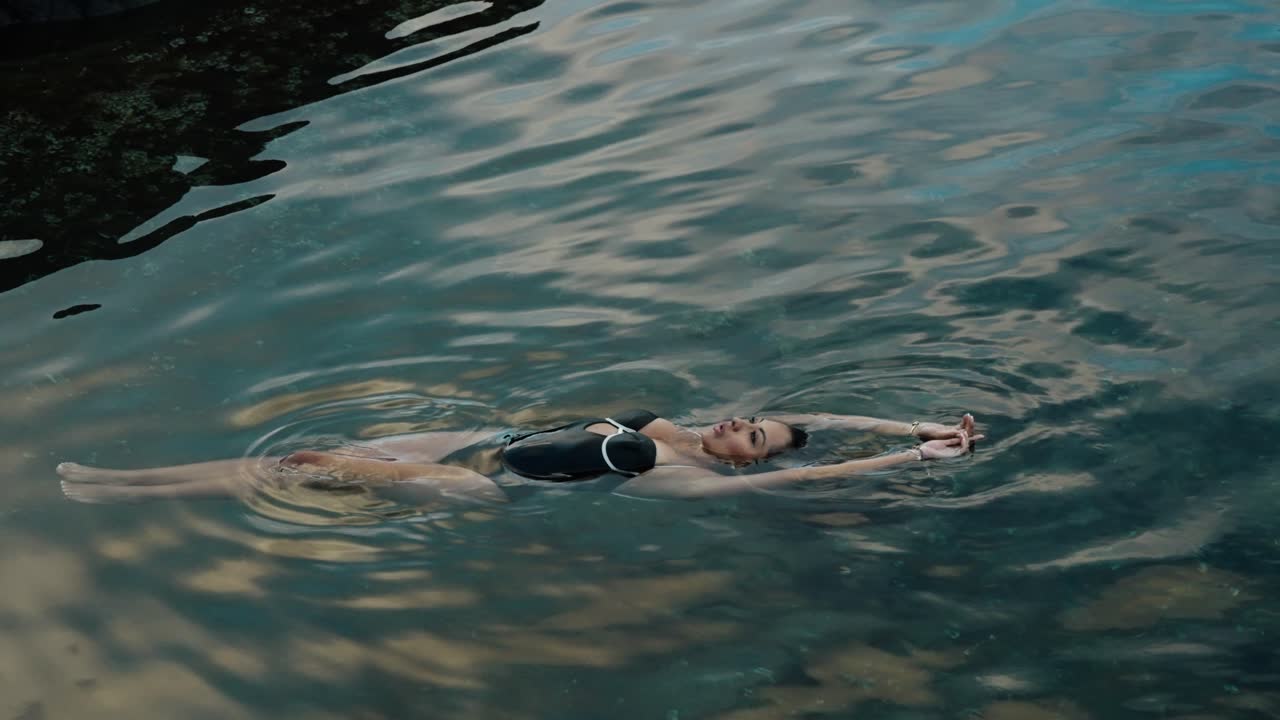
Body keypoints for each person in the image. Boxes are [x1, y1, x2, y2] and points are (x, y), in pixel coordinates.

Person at [57, 410, 983, 504]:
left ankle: (128, 494)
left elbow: (816, 468)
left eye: (753, 439)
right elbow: (811, 419)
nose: (743, 425)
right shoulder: (678, 424)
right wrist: (910, 424)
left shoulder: (690, 476)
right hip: (488, 445)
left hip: (478, 486)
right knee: (319, 455)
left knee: (298, 461)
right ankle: (122, 483)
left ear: (743, 463)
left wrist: (908, 464)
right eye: (752, 420)